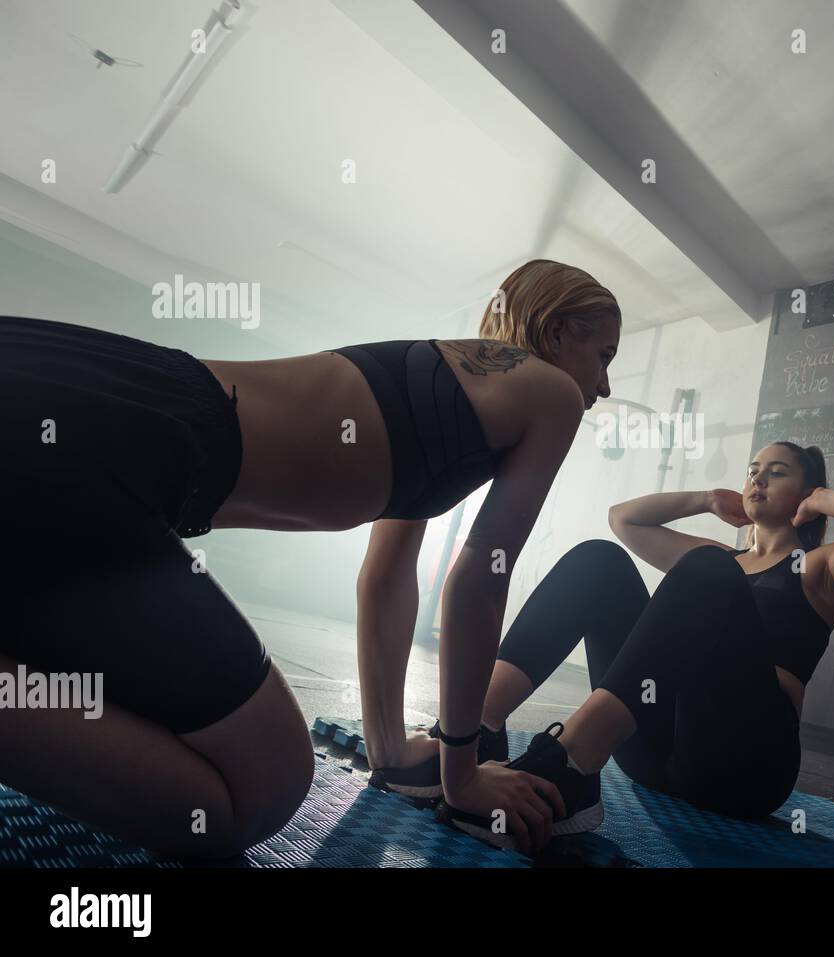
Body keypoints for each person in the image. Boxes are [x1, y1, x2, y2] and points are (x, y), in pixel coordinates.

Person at [0, 259, 621, 859]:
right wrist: (463, 780)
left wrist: (389, 753)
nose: (605, 385)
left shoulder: (447, 376)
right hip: (105, 446)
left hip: (79, 381)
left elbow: (386, 575)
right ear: (559, 330)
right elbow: (479, 586)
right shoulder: (552, 395)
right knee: (262, 789)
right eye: (604, 357)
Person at [426, 441, 834, 849]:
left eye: (776, 472)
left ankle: (570, 766)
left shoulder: (819, 567)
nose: (757, 478)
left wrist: (821, 499)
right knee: (600, 561)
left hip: (745, 767)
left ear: (805, 490)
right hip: (656, 753)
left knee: (709, 570)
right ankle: (478, 729)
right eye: (753, 469)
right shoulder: (718, 561)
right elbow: (622, 520)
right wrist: (707, 500)